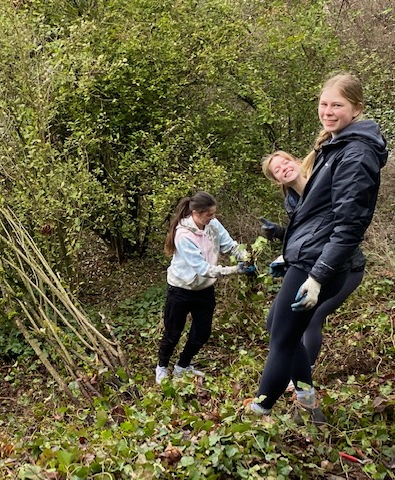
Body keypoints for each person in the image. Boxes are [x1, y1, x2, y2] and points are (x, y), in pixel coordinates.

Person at [246, 73, 388, 419]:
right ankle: (307, 398)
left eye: (337, 105)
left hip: (319, 263)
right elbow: (319, 215)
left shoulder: (355, 154)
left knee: (282, 338)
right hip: (309, 258)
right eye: (324, 104)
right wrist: (285, 247)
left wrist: (318, 276)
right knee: (277, 329)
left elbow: (349, 224)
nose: (328, 111)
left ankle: (259, 411)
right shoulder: (336, 145)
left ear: (356, 108)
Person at [260, 151, 366, 375]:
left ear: (298, 162)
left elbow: (337, 234)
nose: (284, 168)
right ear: (277, 180)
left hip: (347, 267)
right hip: (313, 269)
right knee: (283, 320)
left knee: (312, 317)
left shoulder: (325, 186)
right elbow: (306, 238)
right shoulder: (292, 201)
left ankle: (303, 372)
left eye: (286, 162)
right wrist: (280, 238)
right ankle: (299, 376)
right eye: (277, 170)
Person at [156, 191, 255, 384]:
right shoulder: (183, 235)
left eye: (214, 213)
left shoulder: (213, 225)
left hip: (204, 290)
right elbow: (202, 268)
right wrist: (235, 269)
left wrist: (246, 257)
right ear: (196, 213)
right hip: (181, 289)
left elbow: (229, 245)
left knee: (202, 332)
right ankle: (162, 366)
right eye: (209, 214)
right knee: (173, 332)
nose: (213, 217)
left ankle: (182, 366)